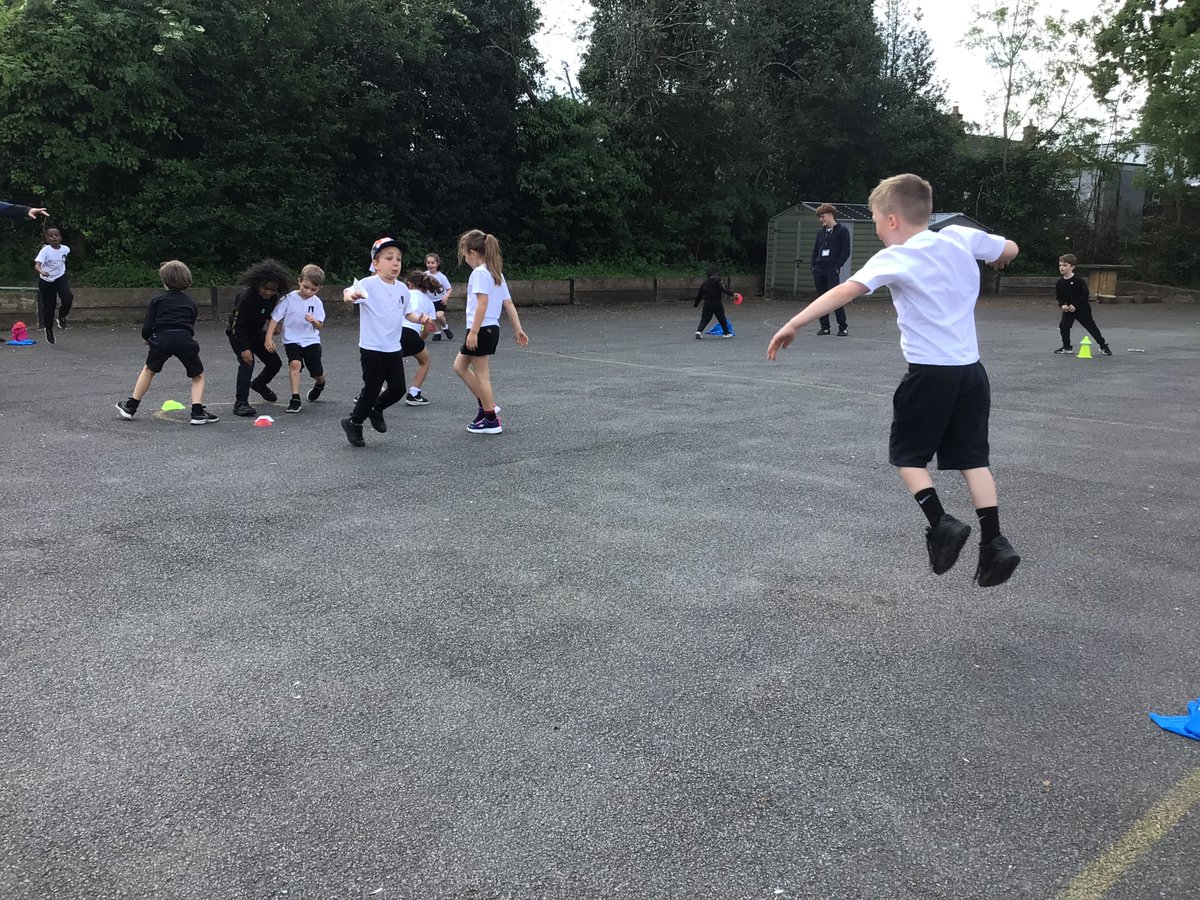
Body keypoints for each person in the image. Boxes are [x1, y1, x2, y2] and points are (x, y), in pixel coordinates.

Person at [768, 173, 1022, 588]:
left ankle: (942, 523)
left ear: (890, 221)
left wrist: (794, 323)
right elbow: (1009, 248)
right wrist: (1001, 255)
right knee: (973, 458)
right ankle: (994, 541)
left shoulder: (897, 257)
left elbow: (844, 291)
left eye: (873, 219)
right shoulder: (959, 236)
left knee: (907, 456)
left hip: (929, 374)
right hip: (971, 373)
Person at [340, 237, 423, 447]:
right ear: (376, 264)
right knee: (372, 388)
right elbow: (348, 292)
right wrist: (350, 296)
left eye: (399, 259)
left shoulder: (403, 289)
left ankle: (376, 409)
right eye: (389, 258)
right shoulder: (368, 284)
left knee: (397, 389)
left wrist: (420, 318)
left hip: (393, 347)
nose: (395, 263)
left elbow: (408, 314)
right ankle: (354, 422)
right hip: (372, 348)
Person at [115, 260, 218, 425]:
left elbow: (148, 324)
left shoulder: (158, 300)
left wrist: (147, 338)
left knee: (149, 370)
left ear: (164, 280)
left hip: (162, 338)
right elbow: (191, 323)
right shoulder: (191, 303)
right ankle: (197, 412)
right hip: (184, 339)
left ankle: (131, 406)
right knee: (198, 375)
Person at [453, 229, 528, 434]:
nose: (466, 259)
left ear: (473, 253)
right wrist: (518, 329)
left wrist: (474, 332)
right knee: (459, 366)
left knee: (482, 376)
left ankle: (491, 419)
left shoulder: (479, 273)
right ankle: (485, 405)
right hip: (489, 328)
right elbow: (509, 304)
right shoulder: (496, 273)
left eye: (465, 256)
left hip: (481, 329)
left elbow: (482, 304)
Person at [226, 259, 290, 417]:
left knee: (275, 363)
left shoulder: (272, 298)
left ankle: (260, 384)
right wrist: (244, 348)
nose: (268, 292)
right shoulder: (247, 297)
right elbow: (236, 324)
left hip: (256, 334)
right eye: (265, 288)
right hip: (239, 335)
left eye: (272, 290)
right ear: (257, 284)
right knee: (247, 363)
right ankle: (240, 403)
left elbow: (268, 313)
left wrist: (273, 326)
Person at [265, 264, 327, 413]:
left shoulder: (317, 303)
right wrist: (268, 337)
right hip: (292, 339)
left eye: (313, 289)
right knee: (295, 364)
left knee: (316, 372)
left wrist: (313, 321)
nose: (308, 292)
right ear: (299, 281)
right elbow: (274, 318)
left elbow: (320, 326)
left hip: (311, 340)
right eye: (306, 287)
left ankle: (320, 383)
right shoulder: (288, 299)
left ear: (319, 289)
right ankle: (295, 398)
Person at [1054, 254, 1112, 356]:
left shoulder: (1079, 281)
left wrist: (1075, 305)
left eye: (1065, 265)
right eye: (1060, 265)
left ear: (1072, 267)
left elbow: (1084, 295)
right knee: (1064, 326)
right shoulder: (1060, 283)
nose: (1061, 267)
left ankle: (1103, 346)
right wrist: (1062, 305)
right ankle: (1067, 347)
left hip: (1082, 309)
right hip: (1069, 310)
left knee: (1091, 327)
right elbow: (1059, 297)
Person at [401, 270, 441, 405]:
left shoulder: (404, 294)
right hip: (412, 334)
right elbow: (428, 328)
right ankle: (414, 393)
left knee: (382, 362)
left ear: (409, 284)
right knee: (425, 361)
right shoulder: (429, 303)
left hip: (393, 332)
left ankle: (365, 393)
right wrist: (420, 341)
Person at [810, 203, 851, 336]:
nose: (821, 220)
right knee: (821, 298)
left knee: (835, 298)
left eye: (822, 217)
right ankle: (825, 327)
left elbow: (845, 251)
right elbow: (815, 250)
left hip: (832, 269)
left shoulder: (842, 231)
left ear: (830, 215)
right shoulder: (820, 233)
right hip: (819, 269)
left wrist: (837, 267)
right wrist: (813, 266)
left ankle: (842, 326)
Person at [34, 226, 73, 343]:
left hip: (60, 277)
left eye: (56, 235)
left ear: (60, 237)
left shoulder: (66, 249)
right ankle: (49, 329)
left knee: (68, 297)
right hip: (46, 281)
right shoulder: (45, 251)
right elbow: (37, 265)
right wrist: (42, 272)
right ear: (47, 239)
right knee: (49, 307)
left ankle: (61, 317)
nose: (54, 237)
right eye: (51, 236)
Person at [693, 268, 735, 339]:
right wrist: (733, 294)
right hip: (716, 302)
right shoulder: (718, 281)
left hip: (707, 303)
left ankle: (699, 331)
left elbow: (699, 294)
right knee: (721, 318)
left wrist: (696, 304)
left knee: (705, 318)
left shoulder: (705, 283)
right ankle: (726, 333)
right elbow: (724, 289)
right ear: (716, 274)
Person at [424, 252, 454, 342]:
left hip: (440, 300)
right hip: (429, 301)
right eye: (428, 263)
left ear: (437, 264)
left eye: (432, 263)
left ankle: (445, 327)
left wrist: (446, 297)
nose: (430, 265)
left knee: (439, 315)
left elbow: (449, 289)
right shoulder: (424, 275)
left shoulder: (442, 277)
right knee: (432, 318)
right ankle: (437, 332)